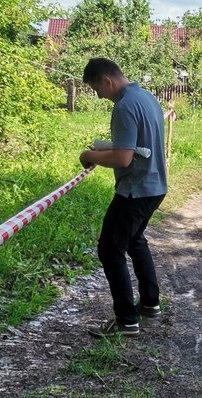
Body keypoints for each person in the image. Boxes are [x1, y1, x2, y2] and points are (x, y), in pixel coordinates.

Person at [79, 58, 167, 338]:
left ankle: (126, 320)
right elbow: (138, 146)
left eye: (96, 90)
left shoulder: (124, 106)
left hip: (136, 189)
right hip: (155, 186)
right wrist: (105, 148)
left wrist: (90, 156)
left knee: (109, 249)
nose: (99, 96)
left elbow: (123, 157)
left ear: (107, 80)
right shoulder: (145, 96)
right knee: (135, 240)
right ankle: (150, 304)